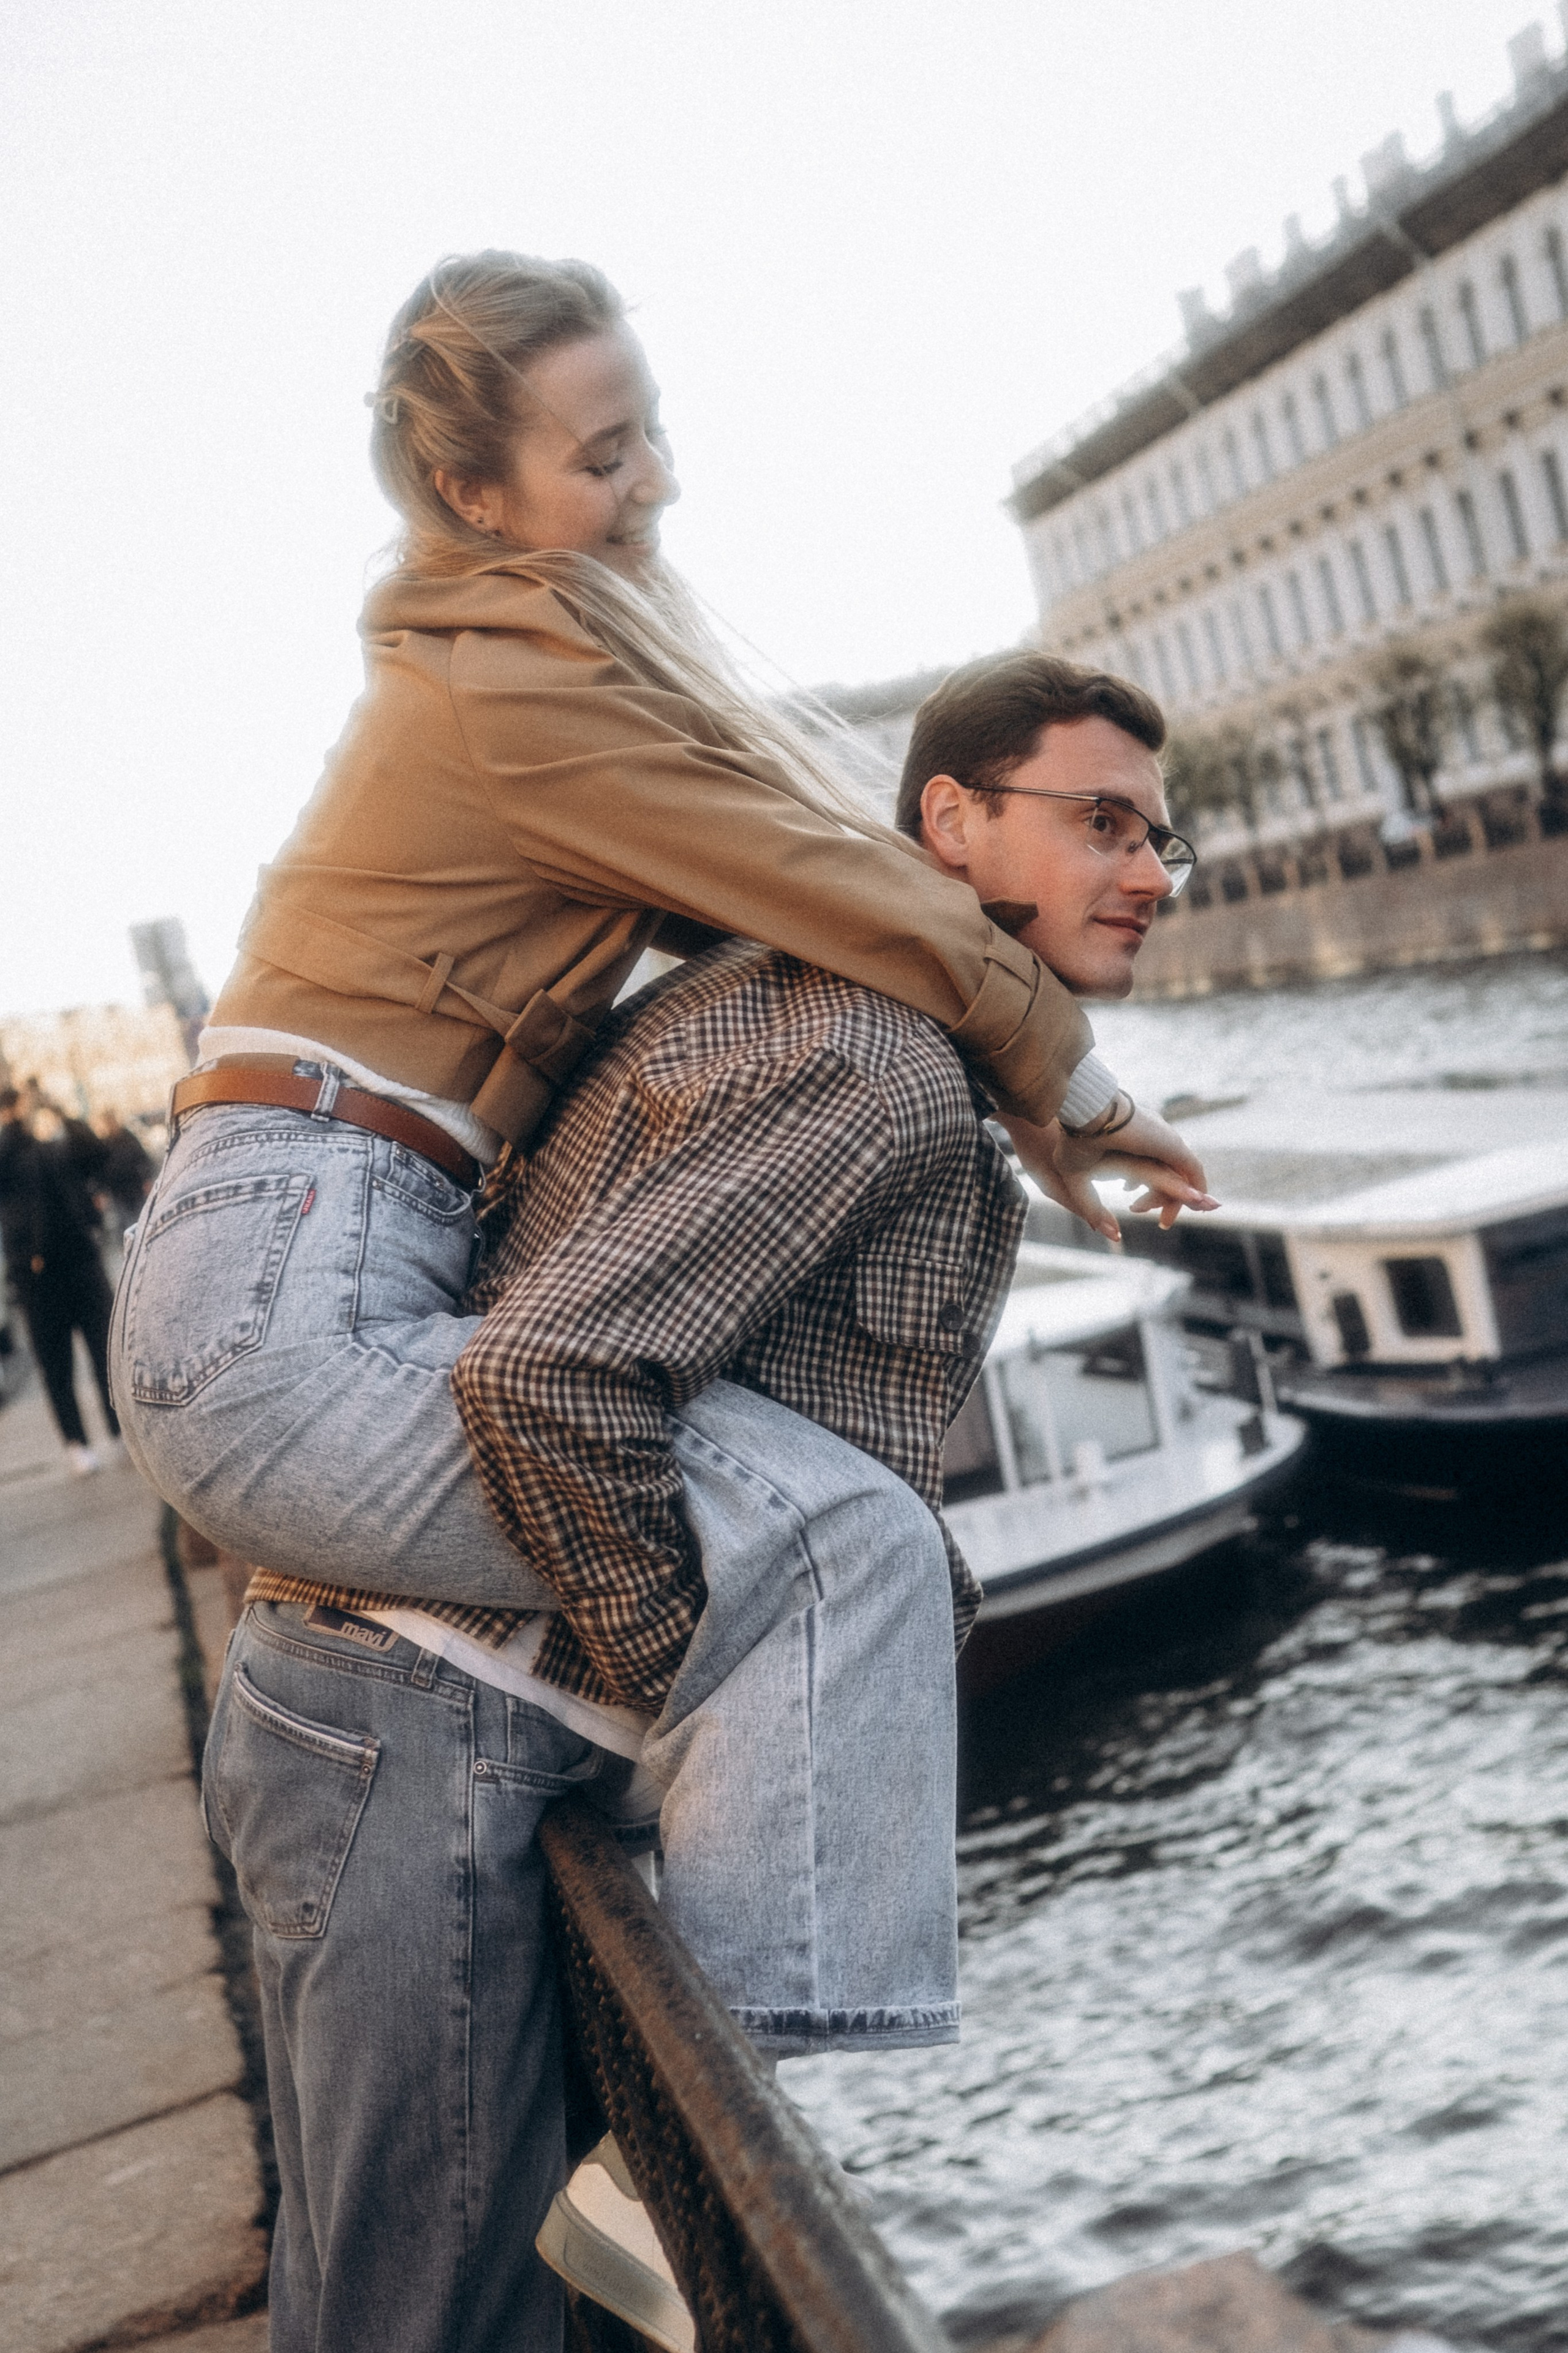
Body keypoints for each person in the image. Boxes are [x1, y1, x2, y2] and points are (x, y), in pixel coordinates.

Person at [197, 651, 1207, 2352]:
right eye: (1104, 823)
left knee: (375, 2298)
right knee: (434, 2323)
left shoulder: (814, 995)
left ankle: (666, 2190)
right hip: (431, 1727)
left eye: (1167, 840)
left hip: (378, 1717)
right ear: (951, 821)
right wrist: (688, 1670)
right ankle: (690, 2168)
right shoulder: (872, 1057)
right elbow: (555, 1380)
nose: (1151, 874)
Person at [110, 246, 1210, 1598]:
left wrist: (1034, 1099)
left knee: (821, 1548)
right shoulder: (517, 695)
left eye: (654, 435)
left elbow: (811, 898)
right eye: (606, 456)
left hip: (306, 1231)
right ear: (470, 491)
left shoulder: (524, 650)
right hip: (287, 1277)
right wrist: (1081, 1092)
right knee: (840, 1559)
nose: (659, 482)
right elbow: (833, 888)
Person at [0, 1085, 120, 1473]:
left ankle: (120, 1430)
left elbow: (96, 1154)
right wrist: (13, 1123)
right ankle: (76, 1443)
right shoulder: (10, 1151)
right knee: (56, 1366)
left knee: (106, 1352)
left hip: (81, 1260)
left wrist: (58, 1109)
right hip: (36, 1274)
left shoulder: (54, 1142)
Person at [92, 1108, 156, 1243]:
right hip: (118, 1191)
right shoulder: (104, 1144)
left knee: (142, 1219)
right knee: (125, 1224)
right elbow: (100, 1170)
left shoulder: (128, 1137)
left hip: (135, 1187)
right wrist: (101, 1191)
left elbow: (142, 1158)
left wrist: (146, 1179)